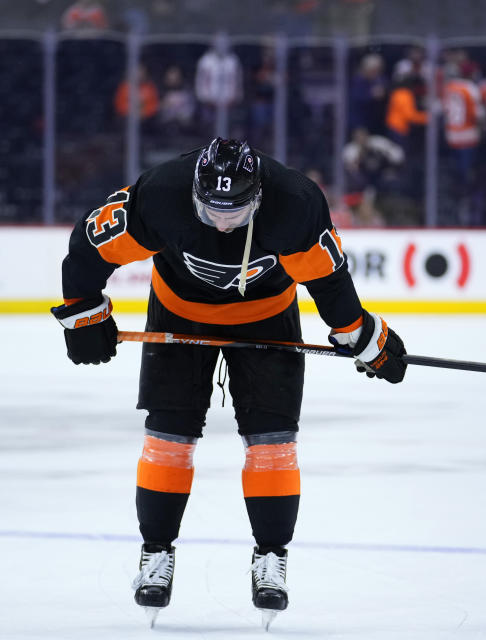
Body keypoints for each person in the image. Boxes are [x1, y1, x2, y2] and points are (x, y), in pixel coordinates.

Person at [50, 138, 408, 627]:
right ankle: (156, 552)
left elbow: (329, 282)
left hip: (267, 317)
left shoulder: (295, 203)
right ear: (194, 192)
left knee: (273, 442)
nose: (222, 222)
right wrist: (82, 314)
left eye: (235, 212)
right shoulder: (161, 193)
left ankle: (271, 558)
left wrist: (363, 337)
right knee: (168, 438)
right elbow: (89, 249)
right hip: (179, 315)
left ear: (258, 197)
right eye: (212, 210)